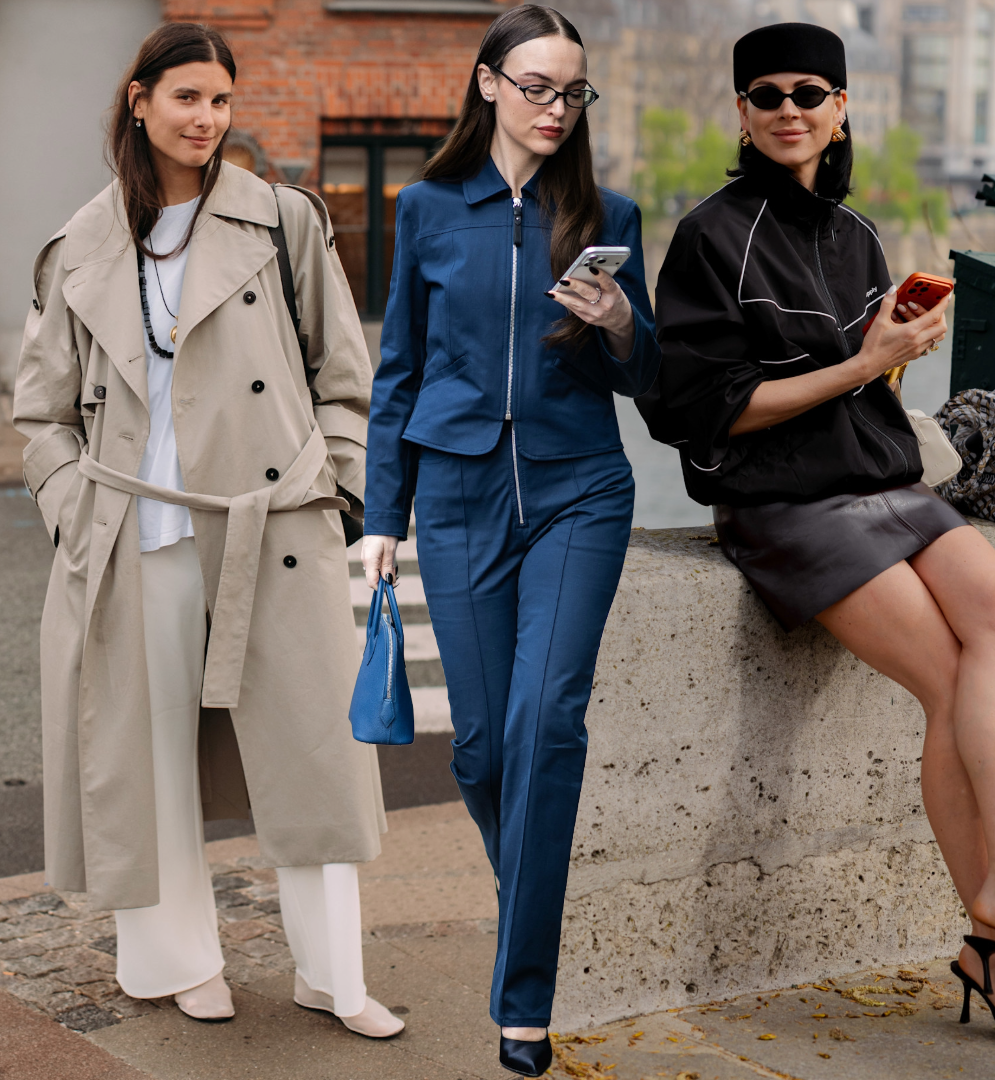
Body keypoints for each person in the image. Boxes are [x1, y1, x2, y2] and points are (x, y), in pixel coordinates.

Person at [639, 21, 995, 1053]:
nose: (789, 108)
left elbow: (861, 376)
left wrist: (896, 352)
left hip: (879, 472)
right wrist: (861, 361)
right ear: (742, 115)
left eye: (809, 92)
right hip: (786, 501)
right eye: (766, 94)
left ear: (842, 107)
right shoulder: (711, 233)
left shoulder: (857, 235)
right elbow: (701, 409)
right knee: (946, 679)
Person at [14, 22, 402, 1038]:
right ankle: (176, 964)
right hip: (130, 543)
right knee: (145, 768)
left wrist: (339, 493)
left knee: (314, 756)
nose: (206, 119)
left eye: (221, 101)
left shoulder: (280, 223)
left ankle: (334, 976)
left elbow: (344, 378)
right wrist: (71, 512)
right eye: (186, 97)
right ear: (138, 101)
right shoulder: (81, 245)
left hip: (272, 528)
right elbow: (41, 413)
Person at [361, 5, 661, 1074]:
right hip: (456, 494)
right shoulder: (431, 208)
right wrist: (379, 517)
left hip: (581, 489)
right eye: (536, 86)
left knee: (548, 723)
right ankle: (530, 891)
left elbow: (650, 382)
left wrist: (623, 322)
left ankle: (522, 999)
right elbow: (398, 369)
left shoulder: (608, 210)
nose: (554, 108)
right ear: (488, 84)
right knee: (484, 748)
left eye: (571, 91)